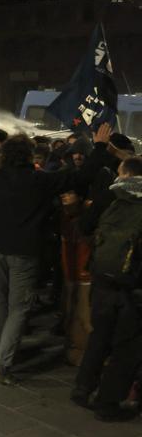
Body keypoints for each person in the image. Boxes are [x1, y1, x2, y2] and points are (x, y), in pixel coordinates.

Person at [0, 118, 111, 385]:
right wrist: (100, 146)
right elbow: (82, 175)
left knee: (0, 302)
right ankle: (1, 364)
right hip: (25, 251)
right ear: (30, 156)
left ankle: (1, 352)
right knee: (20, 307)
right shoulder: (40, 180)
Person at [70, 155, 142, 420]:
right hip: (134, 286)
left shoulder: (111, 195)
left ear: (124, 173)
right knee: (127, 346)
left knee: (100, 335)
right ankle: (107, 402)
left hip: (102, 277)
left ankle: (82, 387)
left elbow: (84, 225)